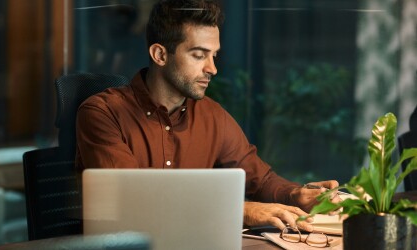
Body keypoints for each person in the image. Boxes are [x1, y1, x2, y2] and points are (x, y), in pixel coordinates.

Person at [76, 0, 340, 231]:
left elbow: (260, 179)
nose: (212, 68)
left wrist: (296, 195)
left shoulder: (212, 115)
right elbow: (130, 198)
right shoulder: (102, 112)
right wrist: (241, 211)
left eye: (214, 55)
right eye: (199, 55)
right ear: (159, 54)